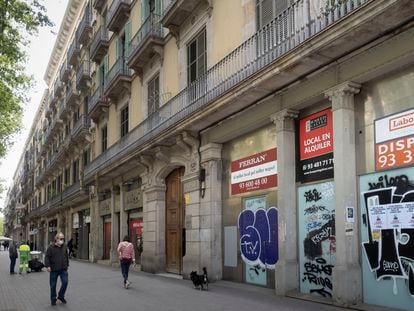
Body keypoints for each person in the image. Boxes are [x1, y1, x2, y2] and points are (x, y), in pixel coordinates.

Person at [45, 232, 69, 306]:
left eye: (63, 239)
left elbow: (66, 256)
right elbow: (47, 257)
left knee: (65, 282)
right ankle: (53, 299)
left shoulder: (64, 246)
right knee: (53, 285)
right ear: (56, 239)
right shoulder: (50, 247)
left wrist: (67, 265)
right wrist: (48, 266)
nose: (62, 240)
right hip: (54, 269)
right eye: (61, 238)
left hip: (63, 269)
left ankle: (61, 296)